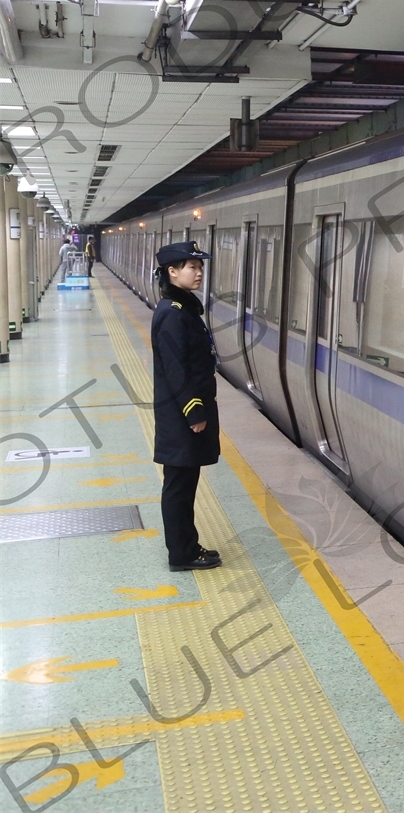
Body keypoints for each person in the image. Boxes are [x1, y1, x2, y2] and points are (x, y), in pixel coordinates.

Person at [152, 241, 222, 572]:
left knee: (184, 485)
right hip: (181, 417)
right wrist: (194, 412)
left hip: (180, 415)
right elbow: (176, 368)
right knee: (179, 487)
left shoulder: (181, 310)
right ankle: (181, 554)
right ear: (173, 271)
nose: (199, 273)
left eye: (200, 267)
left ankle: (187, 546)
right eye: (193, 267)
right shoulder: (172, 314)